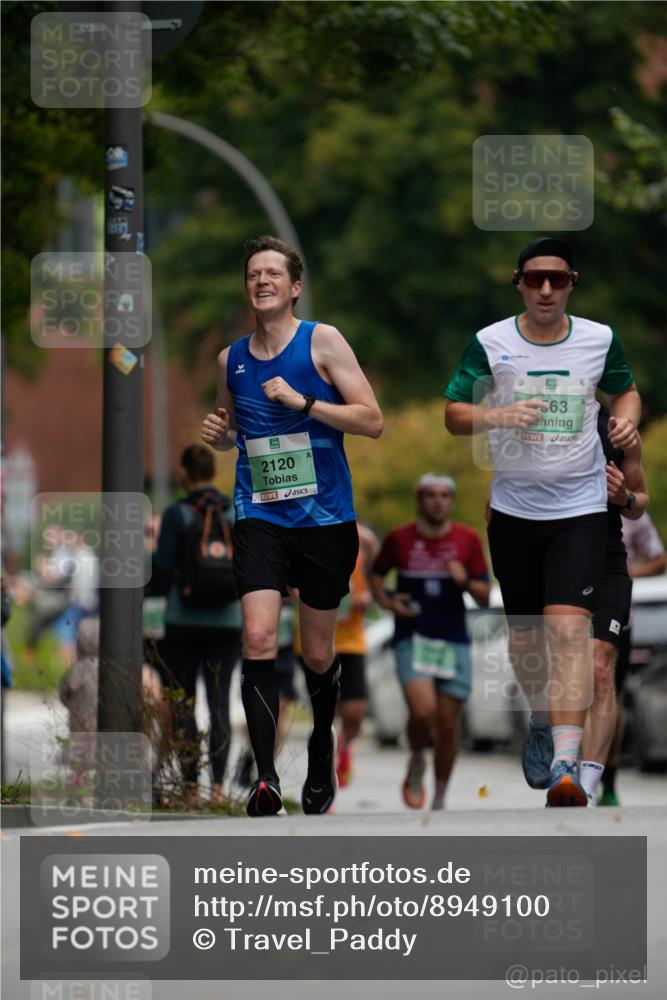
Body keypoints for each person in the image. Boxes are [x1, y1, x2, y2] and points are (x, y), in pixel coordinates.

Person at [444, 236, 641, 807]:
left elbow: (626, 392)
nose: (547, 289)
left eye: (558, 279)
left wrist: (626, 422)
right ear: (519, 284)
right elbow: (453, 414)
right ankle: (539, 717)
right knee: (527, 639)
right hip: (514, 512)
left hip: (580, 509)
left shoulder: (599, 339)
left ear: (572, 283)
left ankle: (566, 766)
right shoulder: (492, 342)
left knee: (569, 633)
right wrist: (498, 414)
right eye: (535, 279)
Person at [201, 235, 383, 817]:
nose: (262, 281)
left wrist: (304, 402)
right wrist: (221, 437)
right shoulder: (230, 359)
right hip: (260, 513)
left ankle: (321, 745)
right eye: (253, 274)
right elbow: (238, 431)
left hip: (325, 518)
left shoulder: (322, 340)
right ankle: (266, 779)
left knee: (318, 652)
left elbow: (372, 420)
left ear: (295, 286)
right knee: (257, 638)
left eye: (273, 273)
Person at [370, 474, 490, 810]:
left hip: (454, 639)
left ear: (451, 501)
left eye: (444, 495)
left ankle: (439, 795)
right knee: (423, 711)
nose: (438, 501)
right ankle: (417, 757)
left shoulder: (467, 539)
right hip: (413, 636)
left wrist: (464, 580)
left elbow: (483, 596)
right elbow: (375, 573)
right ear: (420, 500)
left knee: (448, 724)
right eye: (431, 495)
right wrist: (387, 601)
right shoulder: (399, 539)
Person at [151, 444, 242, 808]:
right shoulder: (233, 511)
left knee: (184, 704)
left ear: (183, 474)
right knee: (220, 703)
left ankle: (190, 788)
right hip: (228, 621)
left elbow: (161, 568)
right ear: (213, 473)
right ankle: (218, 788)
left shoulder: (177, 514)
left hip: (182, 621)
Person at [579, 406, 649, 806]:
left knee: (601, 674)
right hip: (558, 569)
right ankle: (563, 761)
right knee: (568, 680)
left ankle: (595, 784)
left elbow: (640, 503)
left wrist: (625, 497)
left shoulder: (617, 431)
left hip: (609, 574)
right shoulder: (539, 424)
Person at [594, 509, 666, 806]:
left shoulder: (630, 512)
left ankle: (608, 782)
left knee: (610, 695)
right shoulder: (565, 498)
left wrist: (624, 573)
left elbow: (659, 559)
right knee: (575, 695)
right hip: (573, 612)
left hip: (618, 616)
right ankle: (573, 775)